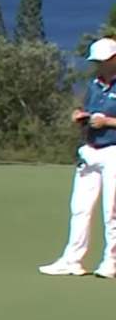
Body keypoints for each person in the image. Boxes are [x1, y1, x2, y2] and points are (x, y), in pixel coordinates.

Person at [40, 38, 116, 277]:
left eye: (103, 61)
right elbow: (86, 107)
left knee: (111, 211)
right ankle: (73, 260)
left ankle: (111, 262)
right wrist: (80, 115)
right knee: (80, 208)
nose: (99, 66)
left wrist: (108, 122)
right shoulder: (94, 85)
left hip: (113, 151)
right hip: (90, 150)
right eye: (97, 62)